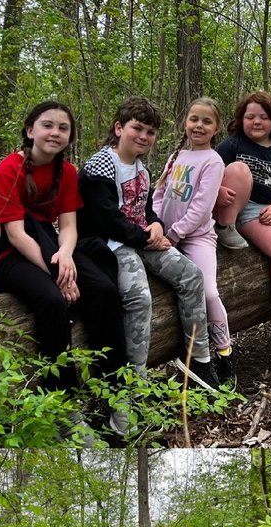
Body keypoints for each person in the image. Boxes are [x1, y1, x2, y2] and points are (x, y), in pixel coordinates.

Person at [0, 101, 127, 409]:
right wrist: (59, 275)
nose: (55, 133)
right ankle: (61, 398)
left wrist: (64, 254)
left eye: (63, 128)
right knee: (51, 300)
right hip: (6, 251)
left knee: (103, 289)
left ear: (70, 136)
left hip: (50, 245)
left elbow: (69, 227)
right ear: (30, 130)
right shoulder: (10, 168)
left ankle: (113, 388)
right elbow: (16, 234)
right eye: (47, 125)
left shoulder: (67, 172)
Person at [78, 97, 220, 391]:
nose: (143, 137)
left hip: (142, 239)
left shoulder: (141, 169)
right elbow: (105, 218)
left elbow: (144, 208)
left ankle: (200, 360)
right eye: (137, 129)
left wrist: (156, 224)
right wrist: (147, 237)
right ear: (119, 128)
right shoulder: (100, 165)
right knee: (140, 298)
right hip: (111, 245)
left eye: (150, 132)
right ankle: (135, 383)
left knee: (191, 275)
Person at [152, 97, 239, 388]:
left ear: (216, 129)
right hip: (164, 234)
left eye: (206, 121)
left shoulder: (213, 161)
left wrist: (174, 235)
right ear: (185, 122)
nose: (199, 126)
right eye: (194, 119)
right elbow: (159, 193)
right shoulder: (177, 156)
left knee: (209, 292)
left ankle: (223, 351)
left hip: (196, 238)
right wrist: (158, 226)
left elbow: (202, 206)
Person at [213, 92, 271, 336]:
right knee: (240, 170)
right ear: (241, 119)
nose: (256, 122)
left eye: (263, 117)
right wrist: (219, 189)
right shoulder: (233, 144)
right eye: (250, 116)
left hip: (258, 210)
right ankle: (225, 227)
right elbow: (209, 171)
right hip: (226, 205)